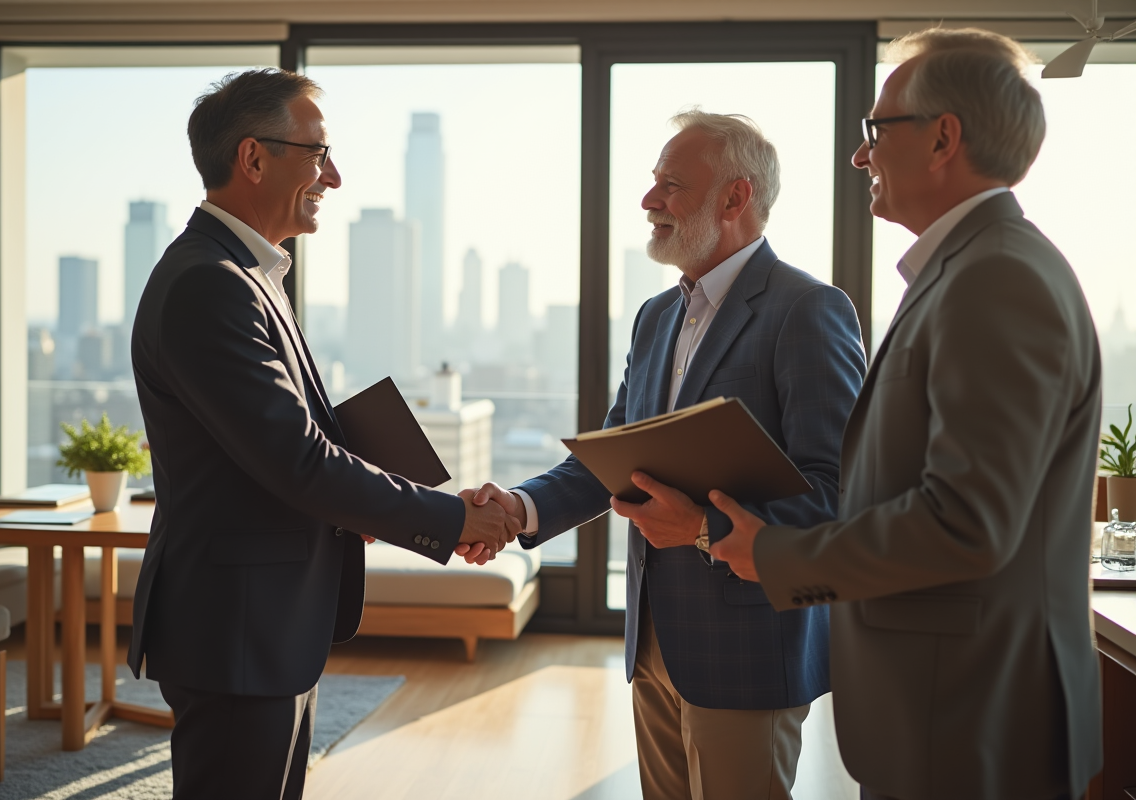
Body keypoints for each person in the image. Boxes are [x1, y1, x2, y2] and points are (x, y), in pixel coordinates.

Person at [709, 29, 1103, 800]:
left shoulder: (996, 280)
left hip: (967, 721)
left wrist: (779, 556)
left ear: (942, 138)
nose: (861, 156)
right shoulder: (971, 271)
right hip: (948, 711)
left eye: (875, 131)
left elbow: (966, 522)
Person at [126, 69, 518, 800]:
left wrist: (366, 500)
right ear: (253, 159)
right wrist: (453, 517)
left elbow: (288, 442)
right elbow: (298, 460)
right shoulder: (210, 283)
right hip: (236, 629)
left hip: (263, 622)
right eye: (318, 154)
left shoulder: (249, 274)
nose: (333, 176)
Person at [473, 110, 865, 799]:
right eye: (654, 182)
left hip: (749, 650)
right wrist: (520, 507)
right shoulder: (657, 317)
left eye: (670, 185)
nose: (649, 200)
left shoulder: (807, 310)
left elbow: (836, 493)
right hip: (654, 641)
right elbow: (613, 458)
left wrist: (703, 530)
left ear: (735, 198)